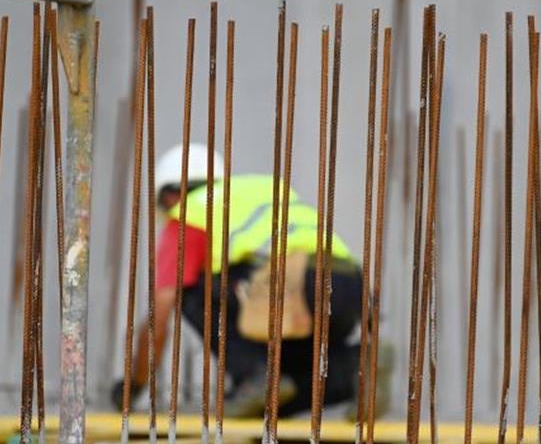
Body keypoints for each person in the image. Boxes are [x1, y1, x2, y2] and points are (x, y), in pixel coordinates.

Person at [112, 143, 385, 418]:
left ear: (171, 195)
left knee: (191, 291)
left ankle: (255, 376)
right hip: (348, 289)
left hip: (290, 286)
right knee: (275, 398)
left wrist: (134, 384)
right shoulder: (265, 193)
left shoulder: (190, 213)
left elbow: (161, 310)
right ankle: (353, 367)